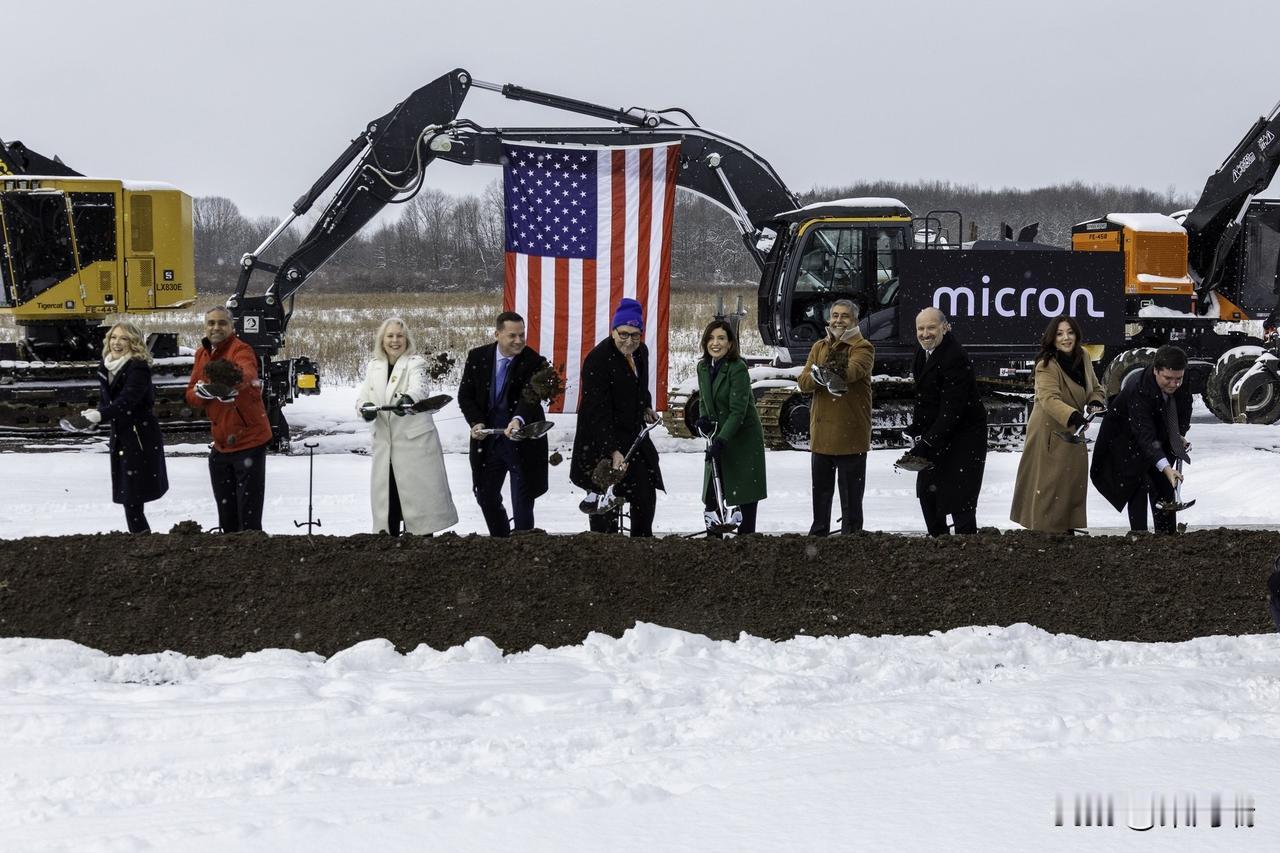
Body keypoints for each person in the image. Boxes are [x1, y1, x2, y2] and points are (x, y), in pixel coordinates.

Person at [355, 317, 458, 536]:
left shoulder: (415, 363)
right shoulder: (374, 366)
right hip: (385, 446)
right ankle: (390, 544)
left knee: (420, 505)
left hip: (415, 445)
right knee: (388, 500)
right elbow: (362, 398)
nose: (395, 341)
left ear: (406, 339)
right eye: (390, 336)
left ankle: (422, 545)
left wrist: (408, 399)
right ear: (382, 340)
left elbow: (420, 387)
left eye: (399, 336)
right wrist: (364, 408)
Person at [570, 297, 664, 536]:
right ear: (613, 331)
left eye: (635, 335)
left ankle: (641, 543)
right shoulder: (597, 360)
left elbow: (639, 387)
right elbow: (597, 412)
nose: (629, 341)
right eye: (624, 334)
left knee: (644, 493)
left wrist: (646, 406)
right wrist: (612, 450)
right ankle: (606, 549)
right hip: (600, 439)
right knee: (605, 505)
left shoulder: (641, 352)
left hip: (632, 437)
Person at [1009, 316, 1106, 533]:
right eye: (1060, 334)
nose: (1066, 338)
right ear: (1052, 338)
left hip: (1073, 429)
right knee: (1049, 485)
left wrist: (1095, 401)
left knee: (1070, 482)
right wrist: (1073, 416)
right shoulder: (1046, 365)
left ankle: (1065, 527)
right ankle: (1046, 531)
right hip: (1049, 431)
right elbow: (1048, 398)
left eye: (1070, 332)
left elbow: (1096, 387)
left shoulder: (1084, 356)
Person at [457, 311, 550, 536]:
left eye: (522, 335)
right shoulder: (477, 357)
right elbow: (465, 396)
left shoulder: (535, 362)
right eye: (512, 336)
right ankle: (500, 541)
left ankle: (523, 544)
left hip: (522, 442)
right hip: (489, 443)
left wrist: (518, 419)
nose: (519, 341)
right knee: (486, 495)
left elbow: (530, 397)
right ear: (497, 334)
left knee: (522, 501)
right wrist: (476, 422)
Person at [184, 305, 273, 532]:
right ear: (205, 327)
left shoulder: (241, 349)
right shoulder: (201, 354)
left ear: (232, 326)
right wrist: (201, 393)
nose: (216, 327)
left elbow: (247, 373)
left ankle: (251, 548)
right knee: (227, 515)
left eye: (222, 323)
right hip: (222, 443)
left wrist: (230, 384)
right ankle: (230, 547)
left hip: (249, 441)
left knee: (249, 517)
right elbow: (190, 393)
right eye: (211, 323)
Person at [1090, 345, 1192, 534]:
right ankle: (1139, 537)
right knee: (1138, 482)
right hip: (1124, 439)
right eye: (1168, 378)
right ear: (1156, 371)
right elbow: (1145, 434)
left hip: (1156, 435)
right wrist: (1166, 468)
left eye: (1178, 379)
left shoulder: (1180, 380)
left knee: (1165, 485)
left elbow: (1184, 409)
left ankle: (1167, 536)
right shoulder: (1138, 388)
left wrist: (1178, 435)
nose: (1174, 384)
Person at [77, 322, 169, 533]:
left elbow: (127, 400)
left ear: (133, 342)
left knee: (132, 495)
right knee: (129, 494)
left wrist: (101, 415)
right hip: (121, 435)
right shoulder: (106, 366)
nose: (116, 342)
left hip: (139, 436)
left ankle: (141, 538)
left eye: (123, 338)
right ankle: (140, 537)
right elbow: (107, 401)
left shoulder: (138, 367)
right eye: (113, 337)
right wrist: (94, 417)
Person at [905, 307, 987, 535]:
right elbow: (924, 396)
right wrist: (917, 427)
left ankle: (966, 544)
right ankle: (939, 542)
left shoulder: (955, 357)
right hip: (938, 432)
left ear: (944, 327)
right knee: (928, 492)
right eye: (920, 328)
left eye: (931, 327)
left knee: (960, 497)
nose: (925, 334)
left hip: (964, 437)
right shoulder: (922, 352)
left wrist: (927, 442)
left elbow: (953, 409)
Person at [796, 299, 874, 534]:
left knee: (851, 500)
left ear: (855, 320)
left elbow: (850, 373)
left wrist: (820, 372)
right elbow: (803, 382)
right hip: (822, 436)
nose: (839, 320)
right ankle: (818, 536)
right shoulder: (819, 346)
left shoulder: (863, 347)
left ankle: (851, 538)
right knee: (820, 495)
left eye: (845, 316)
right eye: (835, 315)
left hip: (850, 436)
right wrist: (820, 376)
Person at [694, 319, 767, 535]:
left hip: (742, 439)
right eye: (711, 338)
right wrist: (703, 419)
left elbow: (738, 411)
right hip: (719, 436)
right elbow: (704, 400)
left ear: (730, 343)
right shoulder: (703, 367)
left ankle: (746, 539)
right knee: (713, 492)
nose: (715, 343)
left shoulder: (737, 368)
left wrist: (721, 439)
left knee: (743, 493)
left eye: (721, 338)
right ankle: (714, 537)